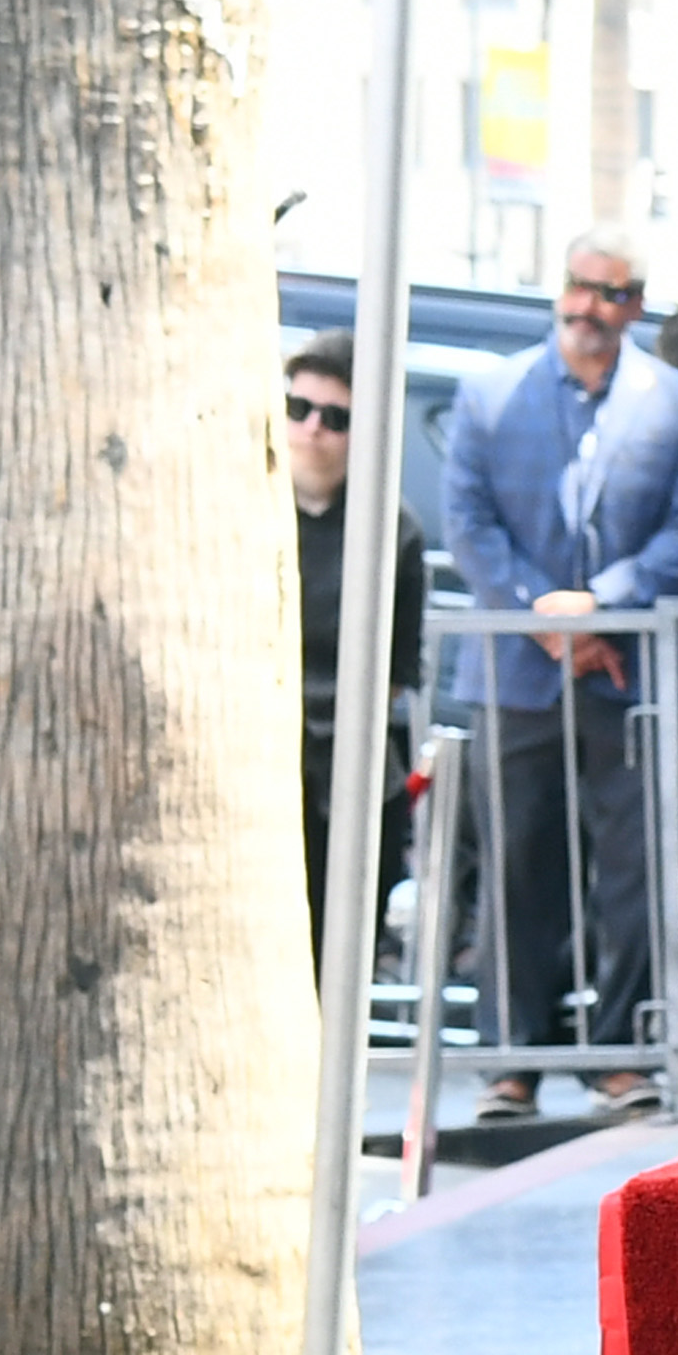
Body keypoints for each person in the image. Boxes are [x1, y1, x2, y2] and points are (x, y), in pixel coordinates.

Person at [430, 229, 678, 1119]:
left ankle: (622, 1060)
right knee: (518, 867)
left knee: (631, 873)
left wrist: (596, 605)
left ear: (637, 305)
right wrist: (547, 618)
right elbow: (470, 525)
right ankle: (512, 1064)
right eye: (577, 286)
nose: (588, 306)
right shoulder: (489, 396)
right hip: (515, 677)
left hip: (629, 677)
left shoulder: (677, 405)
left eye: (610, 291)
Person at [287, 332, 425, 954]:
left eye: (335, 418)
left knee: (338, 954)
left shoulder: (391, 530)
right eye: (299, 408)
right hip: (254, 760)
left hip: (347, 770)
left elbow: (395, 669)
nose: (312, 429)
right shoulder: (239, 504)